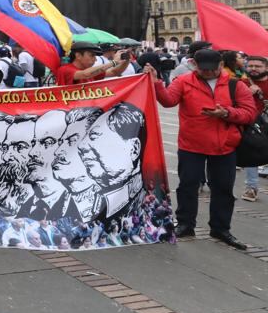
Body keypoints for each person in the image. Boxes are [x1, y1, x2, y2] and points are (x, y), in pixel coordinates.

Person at [145, 49, 258, 249]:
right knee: (187, 186)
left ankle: (221, 228)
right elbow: (168, 101)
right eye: (203, 69)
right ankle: (186, 224)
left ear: (221, 66)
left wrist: (226, 113)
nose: (208, 73)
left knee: (223, 188)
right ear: (195, 65)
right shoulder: (184, 81)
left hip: (225, 145)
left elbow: (249, 113)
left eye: (212, 69)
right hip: (191, 145)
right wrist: (156, 82)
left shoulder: (235, 84)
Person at [241, 55, 268, 201]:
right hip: (253, 124)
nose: (254, 69)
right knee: (253, 153)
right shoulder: (241, 83)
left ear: (266, 68)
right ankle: (251, 188)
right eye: (250, 66)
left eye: (258, 66)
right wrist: (247, 92)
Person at [56, 42, 130, 86]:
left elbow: (114, 72)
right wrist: (114, 62)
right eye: (92, 55)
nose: (95, 59)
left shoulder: (89, 71)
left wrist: (126, 61)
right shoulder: (65, 69)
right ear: (78, 55)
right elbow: (85, 74)